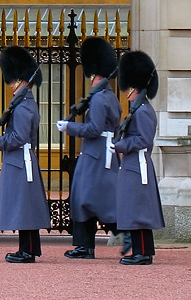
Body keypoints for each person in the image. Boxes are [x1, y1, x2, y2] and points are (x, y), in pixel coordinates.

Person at [0, 46, 50, 263]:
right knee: (24, 206)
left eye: (13, 80)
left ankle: (27, 251)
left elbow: (18, 139)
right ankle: (28, 248)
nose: (10, 84)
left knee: (25, 207)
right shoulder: (23, 103)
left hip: (21, 161)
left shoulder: (22, 107)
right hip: (20, 161)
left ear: (20, 80)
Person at [56, 37, 120, 259]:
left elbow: (94, 129)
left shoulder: (100, 99)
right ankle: (87, 245)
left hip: (95, 155)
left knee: (85, 198)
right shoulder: (106, 96)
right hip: (99, 154)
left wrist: (69, 127)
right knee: (88, 199)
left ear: (96, 75)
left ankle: (93, 243)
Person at [110, 50, 164, 265]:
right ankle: (144, 251)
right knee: (135, 208)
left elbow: (143, 140)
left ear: (134, 87)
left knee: (138, 210)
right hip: (133, 165)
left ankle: (141, 254)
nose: (126, 93)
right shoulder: (138, 109)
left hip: (138, 165)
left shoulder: (142, 111)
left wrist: (119, 146)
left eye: (128, 89)